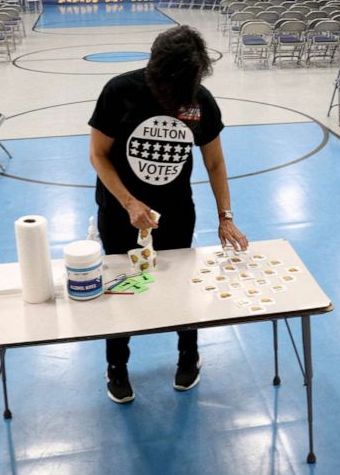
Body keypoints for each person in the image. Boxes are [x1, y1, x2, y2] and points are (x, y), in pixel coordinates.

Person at [88, 26, 249, 404]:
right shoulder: (119, 91)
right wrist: (129, 202)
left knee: (182, 286)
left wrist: (225, 216)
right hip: (119, 212)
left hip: (176, 213)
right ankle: (117, 365)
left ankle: (189, 355)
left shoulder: (200, 100)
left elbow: (214, 161)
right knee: (121, 288)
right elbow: (98, 155)